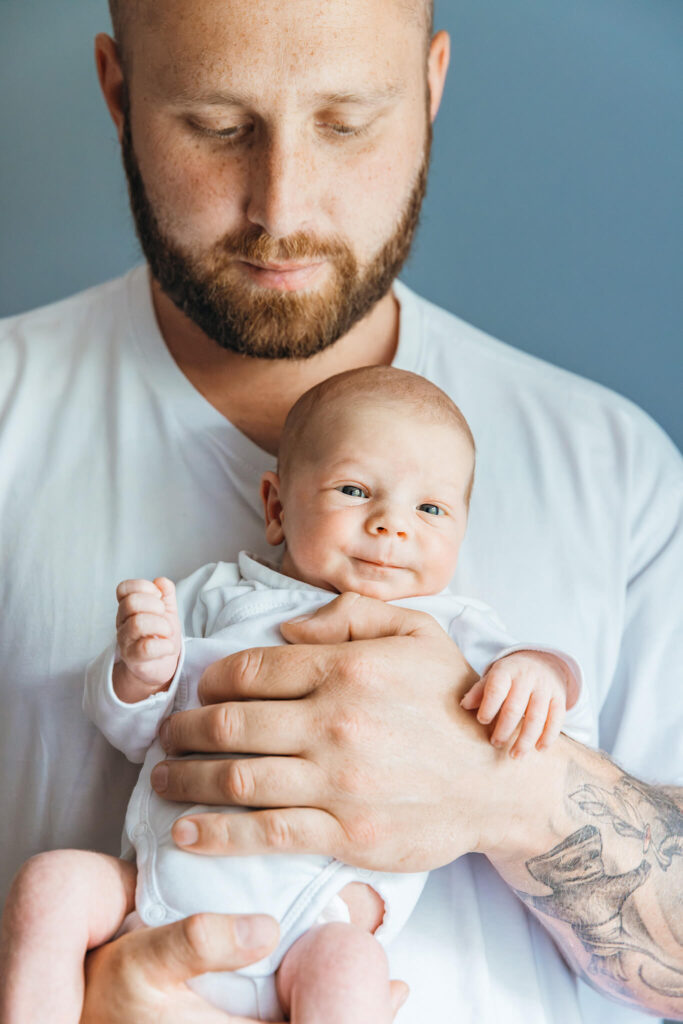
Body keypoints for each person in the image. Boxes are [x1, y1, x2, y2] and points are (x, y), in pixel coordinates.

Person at [0, 0, 680, 1022]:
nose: (284, 207)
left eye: (347, 120)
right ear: (118, 91)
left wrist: (515, 794)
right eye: (218, 126)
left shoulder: (614, 466)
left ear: (430, 86)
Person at [3, 368, 591, 1022]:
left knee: (352, 968)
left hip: (316, 920)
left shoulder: (449, 625)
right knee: (48, 886)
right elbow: (132, 729)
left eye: (429, 509)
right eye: (354, 489)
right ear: (278, 507)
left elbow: (535, 696)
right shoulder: (219, 595)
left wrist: (539, 672)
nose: (391, 526)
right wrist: (140, 672)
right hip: (151, 897)